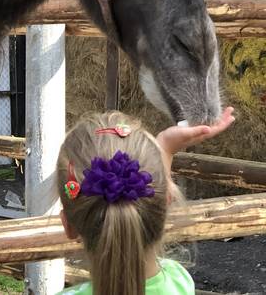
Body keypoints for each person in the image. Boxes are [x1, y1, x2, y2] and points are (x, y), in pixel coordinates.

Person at [56, 107, 236, 295]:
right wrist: (165, 147)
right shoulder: (177, 282)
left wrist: (164, 147)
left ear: (68, 225)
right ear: (166, 205)